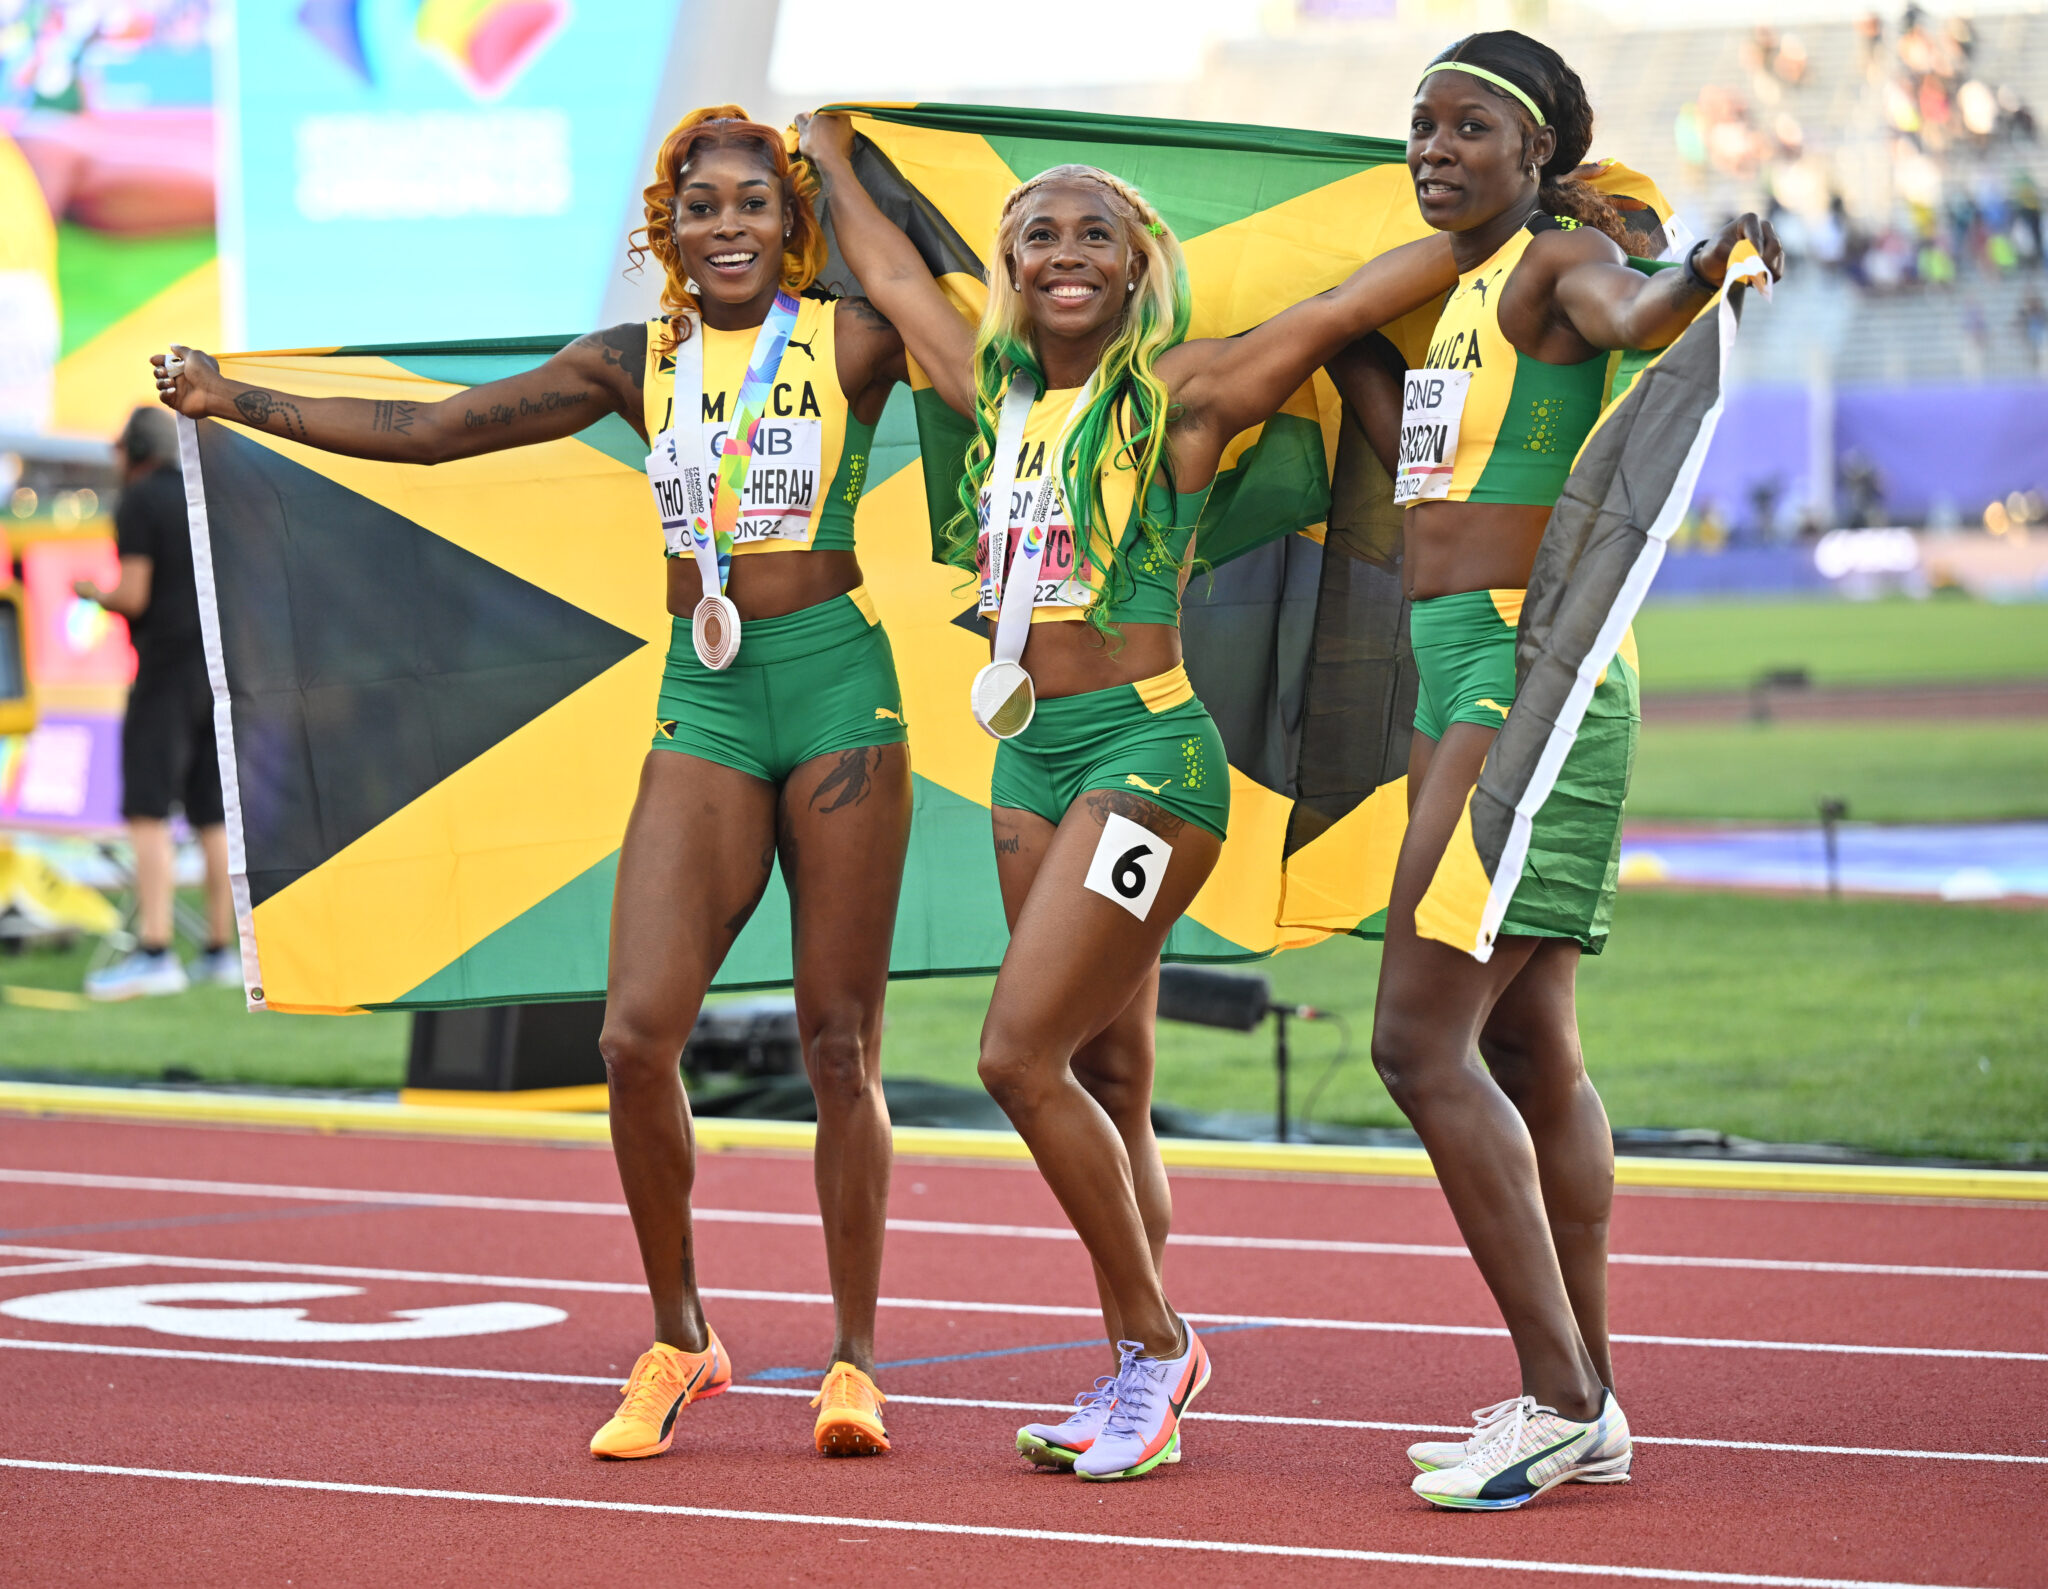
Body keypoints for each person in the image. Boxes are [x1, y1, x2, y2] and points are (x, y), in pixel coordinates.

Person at [153, 107, 917, 1462]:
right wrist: (235, 399)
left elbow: (955, 308)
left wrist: (839, 167)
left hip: (837, 688)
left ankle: (854, 1359)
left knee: (839, 1041)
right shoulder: (638, 362)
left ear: (790, 221)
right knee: (633, 1035)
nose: (727, 226)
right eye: (700, 207)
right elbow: (440, 429)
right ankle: (683, 1337)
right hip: (711, 697)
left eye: (755, 203)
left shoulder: (856, 339)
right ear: (663, 231)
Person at [800, 110, 1457, 1482]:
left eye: (1094, 231)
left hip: (1148, 767)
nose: (1063, 254)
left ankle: (1159, 1347)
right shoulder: (992, 397)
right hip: (1028, 762)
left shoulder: (1190, 394)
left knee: (1011, 1059)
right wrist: (826, 152)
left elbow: (1344, 302)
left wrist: (1498, 223)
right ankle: (1132, 1373)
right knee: (1106, 1069)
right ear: (1013, 263)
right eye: (1038, 235)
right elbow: (898, 277)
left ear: (1138, 259)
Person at [1325, 31, 1781, 1511]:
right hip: (1464, 668)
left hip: (1533, 677)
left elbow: (1638, 310)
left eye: (1471, 130)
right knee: (1530, 1049)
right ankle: (1592, 1389)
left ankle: (1562, 1395)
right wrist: (1341, 352)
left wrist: (1698, 269)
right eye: (1422, 127)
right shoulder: (1459, 298)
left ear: (1540, 162)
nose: (1436, 149)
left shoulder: (1557, 260)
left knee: (1414, 1040)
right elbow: (1434, 483)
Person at [74, 406, 237, 1000]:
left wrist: (97, 594)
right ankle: (221, 950)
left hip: (165, 671)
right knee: (212, 815)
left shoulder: (140, 501)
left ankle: (155, 949)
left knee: (147, 810)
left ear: (134, 453)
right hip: (214, 669)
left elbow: (136, 595)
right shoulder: (204, 494)